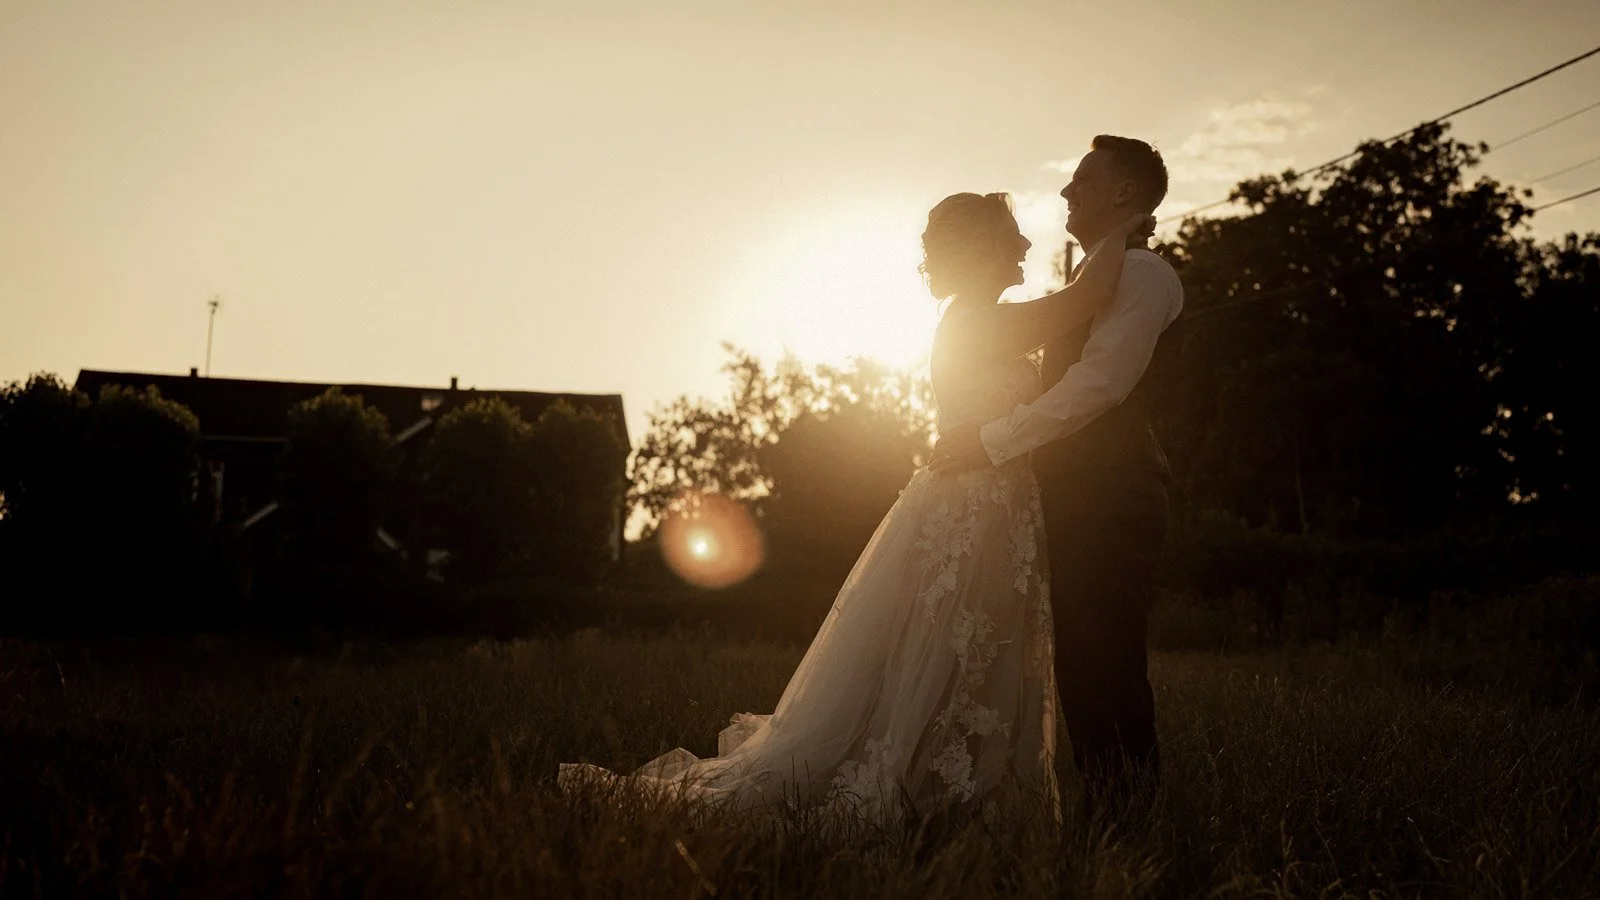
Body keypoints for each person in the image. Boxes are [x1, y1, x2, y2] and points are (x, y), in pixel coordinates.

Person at [559, 190, 1153, 827]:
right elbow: (1085, 301)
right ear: (983, 250)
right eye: (1014, 236)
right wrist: (1124, 222)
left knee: (968, 650)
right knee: (948, 647)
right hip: (969, 510)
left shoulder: (980, 316)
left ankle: (962, 795)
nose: (1029, 247)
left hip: (996, 506)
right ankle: (924, 793)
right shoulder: (975, 320)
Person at [932, 135, 1183, 811]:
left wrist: (994, 440)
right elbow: (1070, 327)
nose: (1066, 193)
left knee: (1105, 657)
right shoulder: (1083, 282)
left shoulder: (1147, 275)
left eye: (1080, 181)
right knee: (1074, 659)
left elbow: (1098, 385)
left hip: (1113, 490)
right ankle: (1100, 803)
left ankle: (1129, 812)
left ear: (1124, 193)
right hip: (1057, 498)